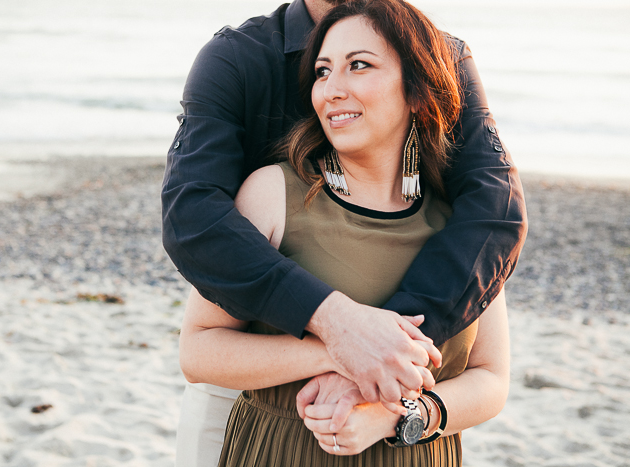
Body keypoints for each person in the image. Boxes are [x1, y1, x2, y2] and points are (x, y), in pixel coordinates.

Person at [164, 0, 525, 463]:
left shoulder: (458, 211)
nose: (333, 90)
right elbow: (192, 216)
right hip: (261, 406)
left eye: (359, 65)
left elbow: (497, 212)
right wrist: (338, 335)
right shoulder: (240, 59)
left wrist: (394, 396)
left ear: (419, 88)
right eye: (321, 71)